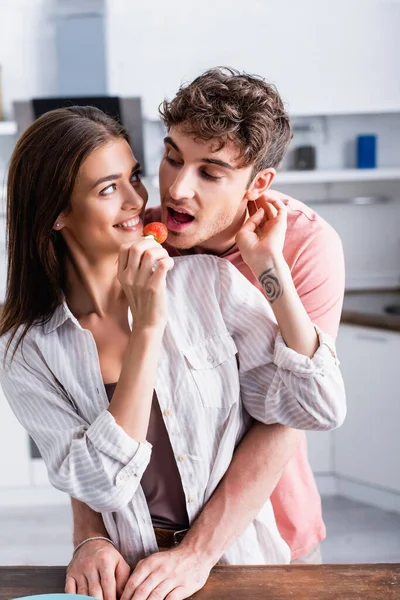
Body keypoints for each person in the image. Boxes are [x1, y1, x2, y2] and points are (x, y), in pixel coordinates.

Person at [0, 102, 345, 598]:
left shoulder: (208, 280)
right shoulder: (27, 349)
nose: (141, 201)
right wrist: (148, 329)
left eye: (133, 177)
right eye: (108, 188)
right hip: (131, 576)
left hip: (247, 558)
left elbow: (317, 408)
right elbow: (101, 485)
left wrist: (269, 265)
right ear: (55, 213)